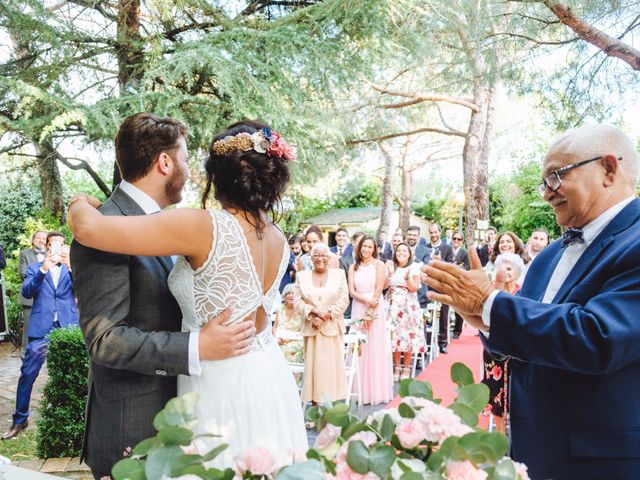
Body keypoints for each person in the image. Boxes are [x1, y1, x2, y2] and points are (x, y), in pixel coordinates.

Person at [425, 124, 640, 479]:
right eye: (544, 183)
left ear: (608, 169)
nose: (546, 194)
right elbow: (529, 334)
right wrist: (483, 319)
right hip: (535, 452)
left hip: (603, 461)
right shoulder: (550, 255)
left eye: (556, 176)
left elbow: (598, 337)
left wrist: (490, 304)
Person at [68, 113, 259, 477]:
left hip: (181, 418)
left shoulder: (162, 226)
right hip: (134, 430)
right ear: (165, 162)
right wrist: (196, 347)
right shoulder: (105, 227)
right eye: (185, 159)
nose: (188, 170)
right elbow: (106, 340)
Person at [2, 232, 79, 440]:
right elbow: (27, 292)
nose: (58, 248)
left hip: (68, 326)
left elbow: (83, 289)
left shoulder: (72, 268)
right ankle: (20, 420)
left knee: (71, 373)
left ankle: (74, 420)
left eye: (62, 245)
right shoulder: (34, 268)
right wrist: (44, 268)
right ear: (46, 246)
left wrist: (72, 267)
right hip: (41, 328)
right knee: (27, 373)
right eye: (54, 244)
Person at [295, 244, 349, 406]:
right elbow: (297, 302)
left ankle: (330, 410)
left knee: (331, 370)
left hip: (331, 328)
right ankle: (315, 408)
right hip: (312, 328)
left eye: (323, 255)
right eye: (316, 255)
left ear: (329, 258)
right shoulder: (301, 276)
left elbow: (344, 299)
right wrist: (313, 313)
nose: (320, 258)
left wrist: (325, 316)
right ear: (311, 259)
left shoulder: (339, 275)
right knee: (314, 370)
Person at [481, 252, 524, 434]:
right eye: (502, 268)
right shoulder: (492, 292)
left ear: (517, 272)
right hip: (495, 352)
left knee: (516, 393)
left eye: (509, 268)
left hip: (518, 350)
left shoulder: (523, 291)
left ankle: (517, 431)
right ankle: (499, 433)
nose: (505, 272)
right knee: (497, 392)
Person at [348, 235, 393, 405]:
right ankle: (357, 390)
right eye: (363, 246)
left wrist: (371, 310)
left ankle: (376, 391)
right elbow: (351, 291)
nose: (366, 250)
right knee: (359, 348)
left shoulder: (379, 265)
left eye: (369, 247)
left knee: (374, 347)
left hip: (375, 308)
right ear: (359, 248)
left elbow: (379, 288)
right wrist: (365, 302)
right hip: (359, 306)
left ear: (374, 249)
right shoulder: (354, 266)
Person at [385, 243, 424, 381]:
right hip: (392, 304)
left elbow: (414, 289)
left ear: (409, 254)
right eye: (398, 250)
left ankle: (406, 367)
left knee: (407, 335)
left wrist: (407, 278)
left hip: (408, 306)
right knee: (394, 335)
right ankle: (397, 366)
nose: (401, 253)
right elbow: (385, 285)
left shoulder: (414, 267)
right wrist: (388, 274)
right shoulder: (391, 266)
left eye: (404, 251)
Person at [426, 223, 454, 354]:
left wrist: (440, 260)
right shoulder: (424, 248)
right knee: (428, 316)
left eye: (435, 232)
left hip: (443, 286)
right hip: (428, 285)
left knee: (443, 315)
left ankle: (442, 342)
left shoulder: (447, 248)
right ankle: (427, 342)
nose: (433, 235)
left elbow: (451, 267)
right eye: (431, 233)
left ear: (440, 232)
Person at [18, 230, 47, 355]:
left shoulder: (52, 255)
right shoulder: (24, 254)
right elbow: (23, 274)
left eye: (44, 238)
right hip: (30, 298)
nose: (41, 240)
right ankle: (25, 354)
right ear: (33, 240)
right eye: (38, 238)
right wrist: (42, 274)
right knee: (29, 328)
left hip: (47, 297)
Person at [273, 283, 304, 363]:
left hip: (296, 341)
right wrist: (276, 339)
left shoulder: (301, 311)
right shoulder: (280, 309)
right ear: (284, 296)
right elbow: (275, 326)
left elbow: (303, 330)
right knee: (274, 350)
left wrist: (288, 339)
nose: (291, 295)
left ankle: (294, 375)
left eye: (294, 293)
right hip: (279, 341)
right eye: (288, 293)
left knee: (282, 353)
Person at [450, 232, 470, 339]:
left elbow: (467, 267)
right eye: (454, 238)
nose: (456, 241)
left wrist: (456, 268)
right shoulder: (447, 250)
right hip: (447, 281)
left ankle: (457, 330)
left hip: (459, 282)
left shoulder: (464, 253)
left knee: (458, 308)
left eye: (459, 239)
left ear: (462, 241)